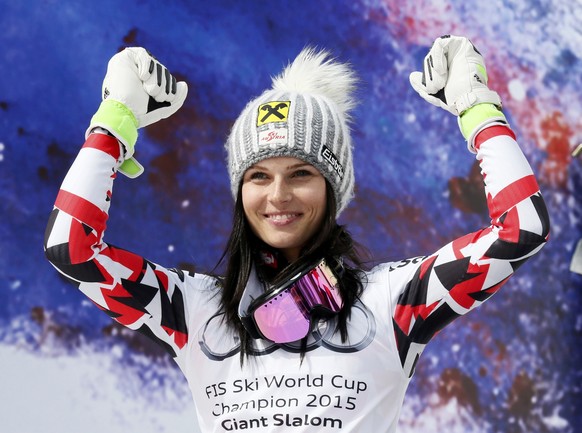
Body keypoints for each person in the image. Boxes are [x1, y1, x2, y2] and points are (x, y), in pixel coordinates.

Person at [44, 35, 550, 432]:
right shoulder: (193, 310)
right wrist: (115, 122)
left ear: (334, 190)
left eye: (302, 174)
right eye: (258, 176)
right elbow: (72, 247)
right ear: (239, 192)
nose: (278, 195)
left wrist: (477, 109)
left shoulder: (394, 300)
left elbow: (521, 227)